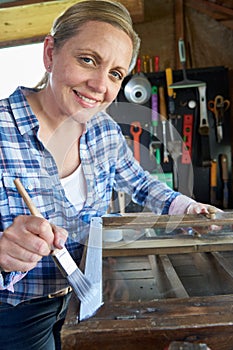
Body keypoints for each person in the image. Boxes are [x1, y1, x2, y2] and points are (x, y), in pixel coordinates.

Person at [0, 1, 220, 349]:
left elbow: (140, 183)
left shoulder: (102, 129)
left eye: (116, 73)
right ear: (50, 52)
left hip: (91, 298)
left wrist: (185, 207)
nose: (99, 85)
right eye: (88, 59)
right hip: (16, 316)